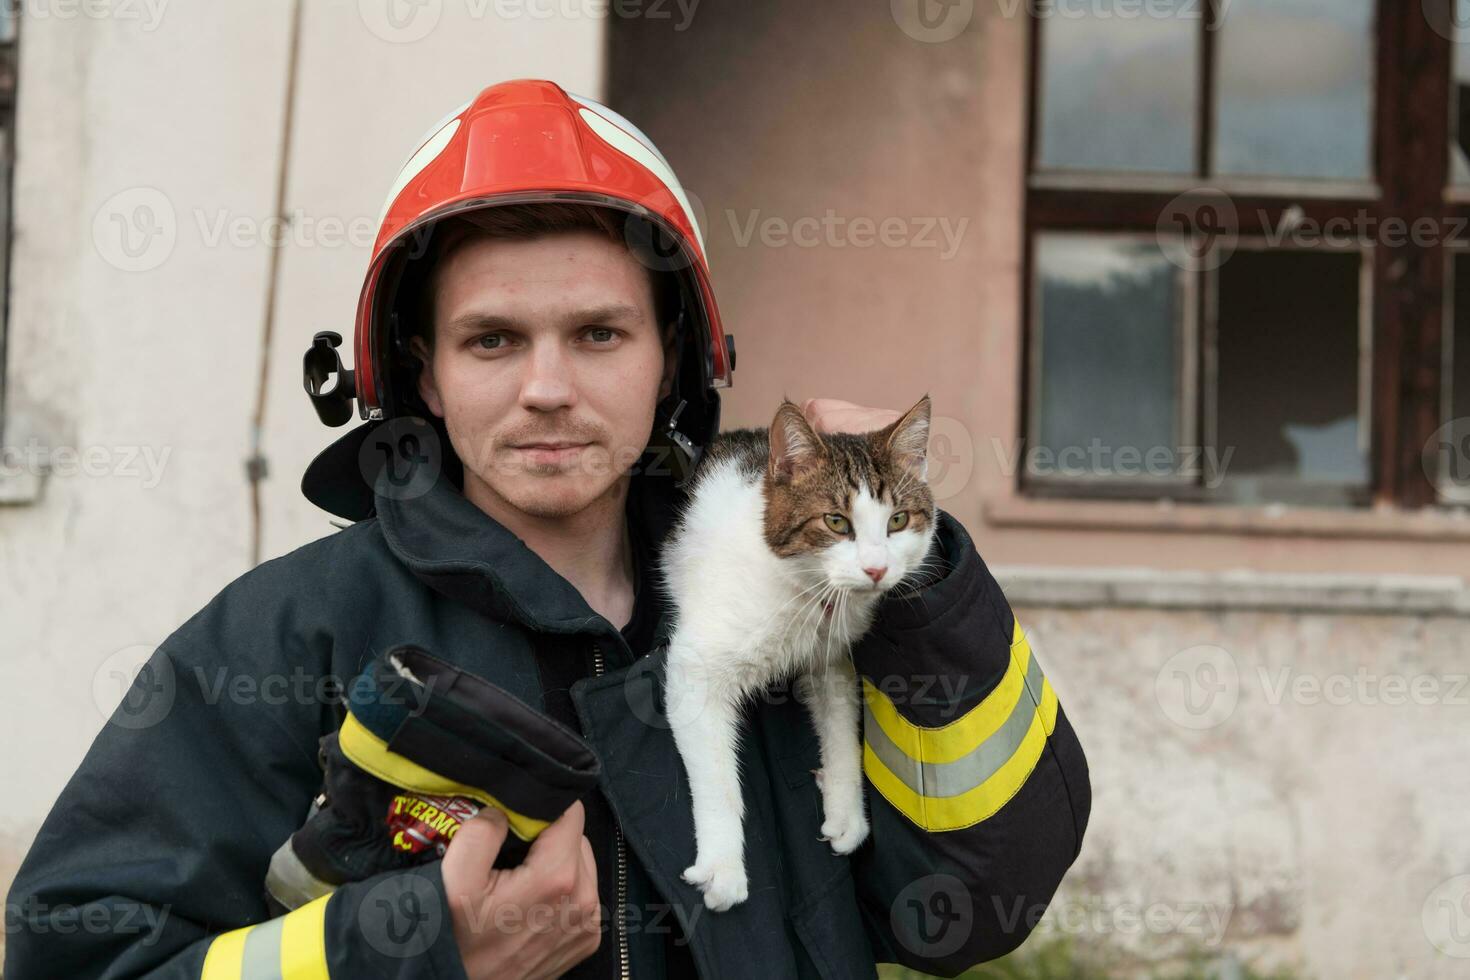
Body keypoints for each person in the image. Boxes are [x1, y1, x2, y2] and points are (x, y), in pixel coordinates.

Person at [4, 79, 1091, 979]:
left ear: (675, 357)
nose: (548, 388)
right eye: (491, 340)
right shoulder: (288, 636)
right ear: (420, 370)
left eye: (599, 332)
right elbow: (79, 953)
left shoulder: (810, 605)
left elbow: (974, 899)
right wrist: (421, 951)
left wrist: (918, 585)